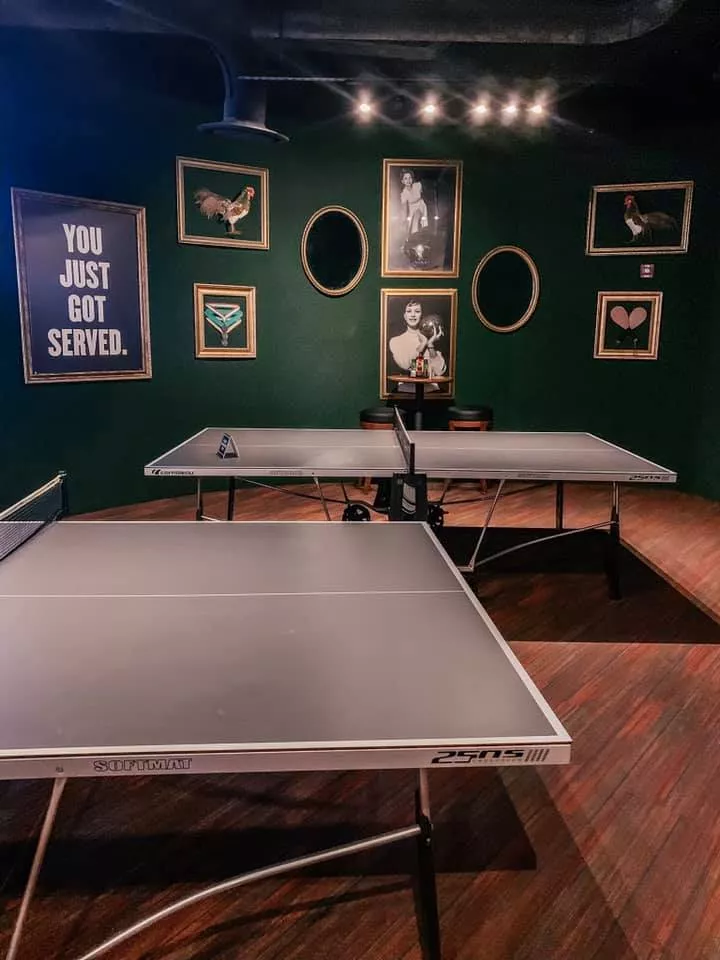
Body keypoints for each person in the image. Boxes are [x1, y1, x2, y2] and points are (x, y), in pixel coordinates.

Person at [388, 300, 446, 379]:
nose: (413, 315)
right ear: (405, 316)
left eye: (417, 311)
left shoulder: (433, 338)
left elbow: (439, 371)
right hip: (406, 390)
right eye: (409, 311)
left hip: (431, 390)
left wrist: (430, 345)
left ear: (422, 315)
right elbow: (406, 365)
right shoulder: (396, 341)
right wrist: (423, 343)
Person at [399, 169, 428, 239]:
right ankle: (411, 238)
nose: (408, 180)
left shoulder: (417, 185)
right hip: (412, 208)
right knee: (411, 225)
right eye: (405, 179)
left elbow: (425, 193)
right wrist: (404, 219)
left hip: (421, 205)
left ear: (412, 179)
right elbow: (404, 207)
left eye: (410, 178)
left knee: (420, 219)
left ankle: (423, 236)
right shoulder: (404, 193)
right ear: (402, 181)